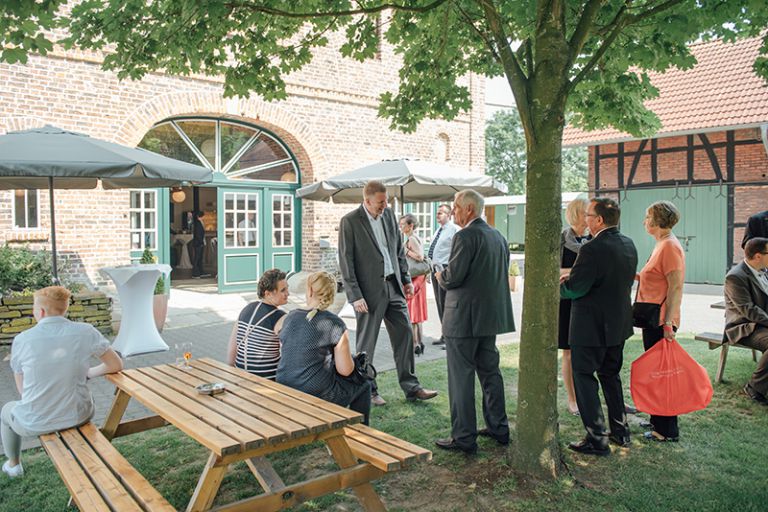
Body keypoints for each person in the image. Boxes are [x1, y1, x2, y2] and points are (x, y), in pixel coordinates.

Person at [2, 286, 123, 478]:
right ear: (64, 309)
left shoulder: (23, 340)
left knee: (6, 411)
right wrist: (88, 373)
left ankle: (14, 464)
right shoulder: (85, 331)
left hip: (36, 422)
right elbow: (115, 364)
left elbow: (23, 389)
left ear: (40, 311)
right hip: (79, 415)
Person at [338, 180, 438, 406]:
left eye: (386, 201)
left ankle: (412, 387)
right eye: (380, 203)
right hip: (368, 293)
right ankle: (369, 390)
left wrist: (406, 279)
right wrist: (355, 296)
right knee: (367, 344)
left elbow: (397, 251)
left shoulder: (390, 216)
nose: (384, 206)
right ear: (367, 200)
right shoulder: (350, 221)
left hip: (394, 286)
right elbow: (346, 261)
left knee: (404, 334)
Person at [434, 190, 514, 454]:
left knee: (461, 378)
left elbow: (454, 276)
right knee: (490, 373)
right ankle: (498, 427)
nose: (454, 211)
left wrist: (440, 276)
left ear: (469, 209)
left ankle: (464, 437)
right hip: (489, 319)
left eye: (456, 207)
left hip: (463, 319)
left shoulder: (465, 236)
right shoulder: (498, 236)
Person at [560, 197, 637, 456]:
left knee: (583, 377)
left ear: (600, 220)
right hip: (618, 324)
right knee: (610, 376)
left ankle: (597, 438)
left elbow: (577, 288)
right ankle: (620, 431)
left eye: (589, 216)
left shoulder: (592, 249)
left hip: (590, 326)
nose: (586, 220)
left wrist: (560, 286)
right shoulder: (628, 244)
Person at [276, 272, 372, 424]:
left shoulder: (290, 317)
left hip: (285, 385)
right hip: (315, 392)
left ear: (310, 291)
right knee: (365, 385)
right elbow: (345, 370)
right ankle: (360, 436)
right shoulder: (335, 324)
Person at [635, 200, 685, 442]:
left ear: (657, 221)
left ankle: (665, 430)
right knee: (655, 371)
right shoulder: (661, 245)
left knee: (663, 374)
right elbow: (653, 278)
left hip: (660, 320)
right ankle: (657, 418)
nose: (644, 221)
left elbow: (675, 287)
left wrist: (667, 324)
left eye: (647, 217)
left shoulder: (669, 247)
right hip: (652, 318)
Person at [724, 237, 768, 405]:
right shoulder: (735, 277)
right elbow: (748, 310)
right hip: (744, 327)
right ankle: (754, 387)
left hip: (762, 324)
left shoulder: (764, 271)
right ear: (758, 256)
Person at [226, 269, 289, 380]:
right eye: (283, 290)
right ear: (268, 294)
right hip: (267, 380)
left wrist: (232, 374)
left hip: (240, 375)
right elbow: (291, 353)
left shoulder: (246, 309)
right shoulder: (280, 317)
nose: (288, 293)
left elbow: (232, 352)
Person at [559, 197, 591, 416]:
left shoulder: (595, 239)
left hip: (589, 301)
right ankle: (572, 399)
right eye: (587, 212)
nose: (590, 217)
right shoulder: (561, 239)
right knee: (569, 352)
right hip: (566, 302)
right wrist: (573, 272)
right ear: (577, 214)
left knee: (588, 351)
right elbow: (553, 271)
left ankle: (588, 395)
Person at [426, 204, 458, 347]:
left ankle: (451, 337)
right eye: (437, 213)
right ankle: (444, 334)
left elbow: (455, 252)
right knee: (439, 304)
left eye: (440, 213)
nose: (437, 216)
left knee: (447, 304)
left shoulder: (454, 230)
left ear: (448, 214)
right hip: (435, 269)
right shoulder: (438, 230)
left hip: (445, 270)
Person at [399, 213, 428, 356]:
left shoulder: (412, 239)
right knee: (416, 313)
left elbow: (420, 256)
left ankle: (415, 344)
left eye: (403, 224)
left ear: (410, 225)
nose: (401, 226)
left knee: (413, 312)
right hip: (418, 278)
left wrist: (406, 250)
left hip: (415, 278)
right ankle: (419, 343)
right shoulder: (413, 237)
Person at [192, 210, 210, 278]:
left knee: (200, 258)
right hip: (198, 243)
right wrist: (201, 242)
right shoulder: (198, 223)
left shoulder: (200, 222)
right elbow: (198, 234)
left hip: (200, 243)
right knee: (197, 258)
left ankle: (201, 272)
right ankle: (195, 273)